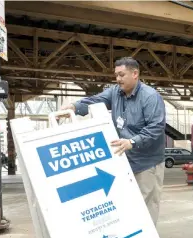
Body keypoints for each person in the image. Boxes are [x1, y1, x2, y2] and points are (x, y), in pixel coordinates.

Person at [61, 57, 166, 226]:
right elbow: (95, 100)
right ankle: (133, 235)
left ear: (135, 74)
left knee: (147, 201)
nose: (118, 79)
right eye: (116, 75)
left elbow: (156, 126)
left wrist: (132, 141)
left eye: (121, 75)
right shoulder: (115, 92)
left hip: (147, 161)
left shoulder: (150, 97)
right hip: (125, 158)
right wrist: (75, 106)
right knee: (128, 201)